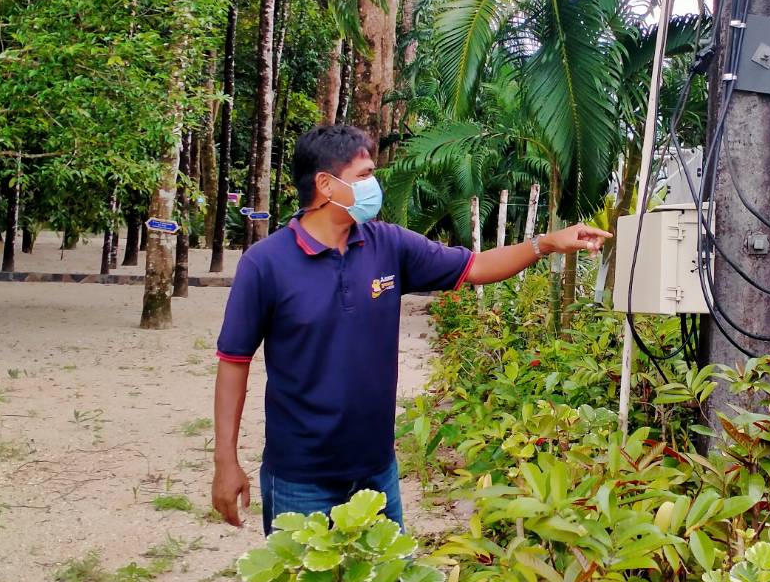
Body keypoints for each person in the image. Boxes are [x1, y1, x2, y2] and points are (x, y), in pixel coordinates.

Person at [211, 123, 610, 535]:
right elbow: (234, 361)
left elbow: (476, 266)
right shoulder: (266, 263)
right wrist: (226, 459)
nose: (374, 185)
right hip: (300, 478)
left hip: (377, 469)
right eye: (364, 175)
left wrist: (545, 244)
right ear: (326, 185)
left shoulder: (389, 244)